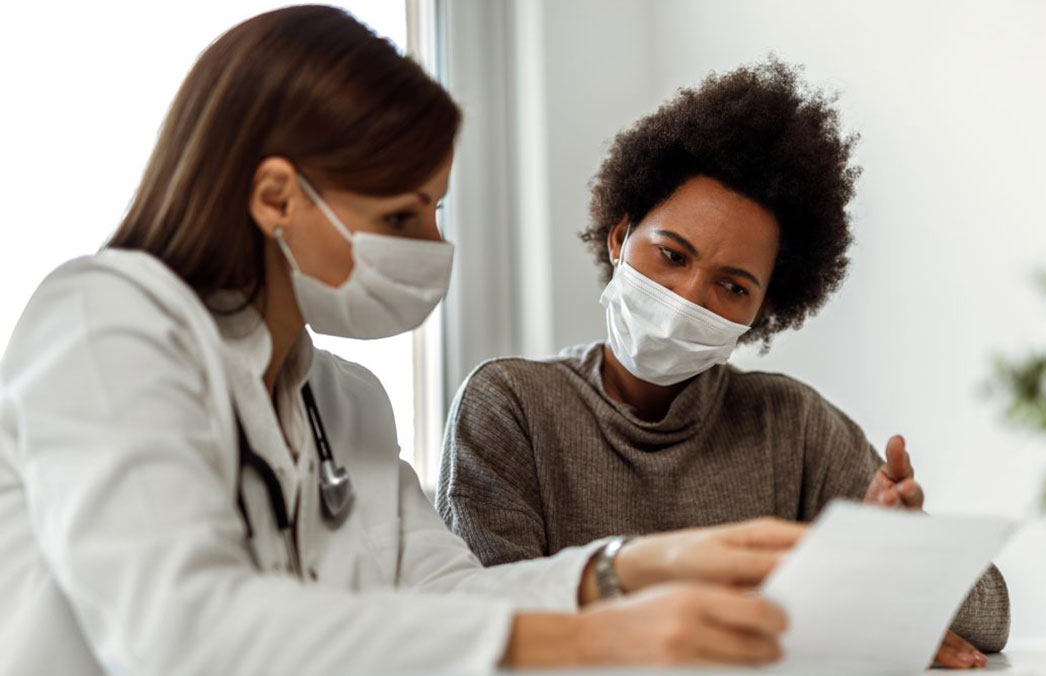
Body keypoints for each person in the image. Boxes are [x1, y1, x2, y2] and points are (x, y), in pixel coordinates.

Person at [0, 8, 810, 674]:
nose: (431, 248)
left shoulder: (343, 402)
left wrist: (635, 570)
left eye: (435, 212)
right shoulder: (105, 322)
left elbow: (444, 598)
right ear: (277, 196)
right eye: (399, 217)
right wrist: (594, 639)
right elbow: (182, 631)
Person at [438, 59, 1010, 670]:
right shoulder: (510, 406)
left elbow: (991, 618)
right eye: (671, 254)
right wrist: (812, 611)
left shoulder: (791, 425)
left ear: (763, 310)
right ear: (618, 236)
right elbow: (492, 630)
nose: (688, 297)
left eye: (732, 287)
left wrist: (892, 557)